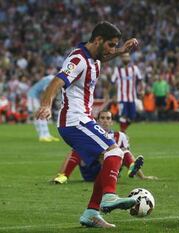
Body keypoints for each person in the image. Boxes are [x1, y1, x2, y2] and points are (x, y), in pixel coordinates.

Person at [36, 21, 140, 228]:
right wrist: (46, 105)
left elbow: (106, 55)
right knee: (115, 153)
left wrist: (120, 51)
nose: (111, 49)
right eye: (110, 44)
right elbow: (56, 81)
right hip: (73, 121)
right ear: (98, 40)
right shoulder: (78, 59)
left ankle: (91, 213)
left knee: (110, 158)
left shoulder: (95, 59)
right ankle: (108, 197)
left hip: (84, 120)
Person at [53, 110, 158, 184]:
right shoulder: (89, 134)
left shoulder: (120, 136)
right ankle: (63, 176)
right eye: (102, 118)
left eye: (108, 118)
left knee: (124, 151)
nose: (105, 120)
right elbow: (70, 155)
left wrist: (143, 177)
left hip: (109, 169)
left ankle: (132, 170)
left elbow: (127, 156)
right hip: (91, 170)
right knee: (77, 149)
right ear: (96, 121)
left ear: (112, 122)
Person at [111, 53, 143, 132]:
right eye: (124, 56)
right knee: (123, 115)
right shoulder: (117, 69)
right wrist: (113, 95)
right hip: (121, 97)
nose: (126, 58)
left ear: (129, 58)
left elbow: (140, 80)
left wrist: (141, 90)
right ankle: (122, 131)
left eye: (127, 56)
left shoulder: (134, 68)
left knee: (132, 116)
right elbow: (112, 82)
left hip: (132, 97)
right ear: (121, 59)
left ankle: (123, 130)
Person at [27, 71, 60, 142]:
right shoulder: (51, 80)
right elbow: (45, 92)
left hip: (36, 97)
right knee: (39, 115)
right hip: (32, 96)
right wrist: (45, 104)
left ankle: (47, 134)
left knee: (42, 114)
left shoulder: (51, 78)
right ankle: (42, 135)